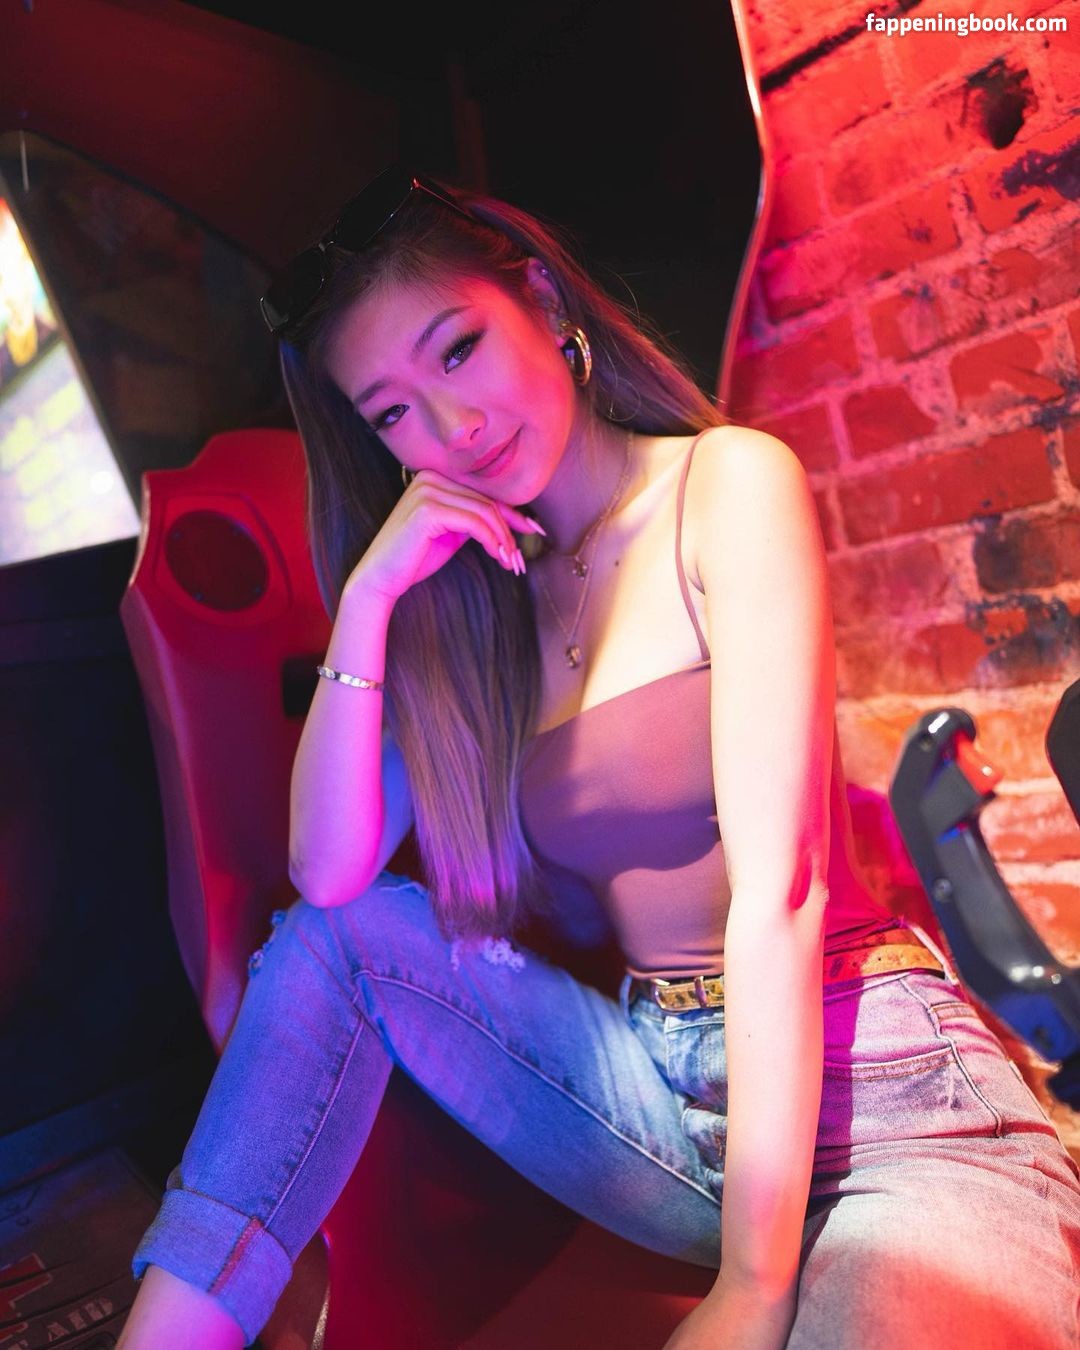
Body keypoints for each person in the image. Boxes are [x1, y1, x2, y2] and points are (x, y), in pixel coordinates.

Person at [119, 165, 1080, 1350]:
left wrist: (751, 1288)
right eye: (392, 413)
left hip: (876, 1092)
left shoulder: (724, 487)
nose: (452, 428)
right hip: (661, 1108)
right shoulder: (470, 612)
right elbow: (328, 877)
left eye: (458, 349)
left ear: (542, 299)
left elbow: (782, 891)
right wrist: (368, 601)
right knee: (337, 939)